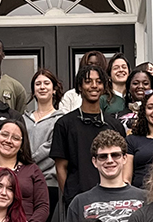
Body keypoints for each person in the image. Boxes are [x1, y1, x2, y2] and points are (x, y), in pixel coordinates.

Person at [62, 130, 145, 222]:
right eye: (103, 156)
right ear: (94, 161)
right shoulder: (79, 202)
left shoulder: (145, 198)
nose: (110, 160)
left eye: (115, 155)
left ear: (125, 158)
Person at [50, 65, 126, 207]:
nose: (94, 86)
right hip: (78, 199)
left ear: (104, 87)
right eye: (88, 81)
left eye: (98, 82)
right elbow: (61, 168)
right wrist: (70, 200)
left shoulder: (115, 125)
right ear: (79, 87)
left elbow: (123, 162)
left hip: (112, 199)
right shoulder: (64, 124)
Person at [26, 68, 65, 222]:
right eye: (38, 84)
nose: (42, 87)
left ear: (54, 90)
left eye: (46, 84)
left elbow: (52, 146)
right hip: (24, 182)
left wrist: (26, 159)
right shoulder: (24, 118)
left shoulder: (61, 119)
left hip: (47, 182)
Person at [116, 65, 153, 130]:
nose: (140, 86)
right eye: (135, 83)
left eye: (145, 83)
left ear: (151, 88)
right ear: (129, 88)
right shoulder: (118, 116)